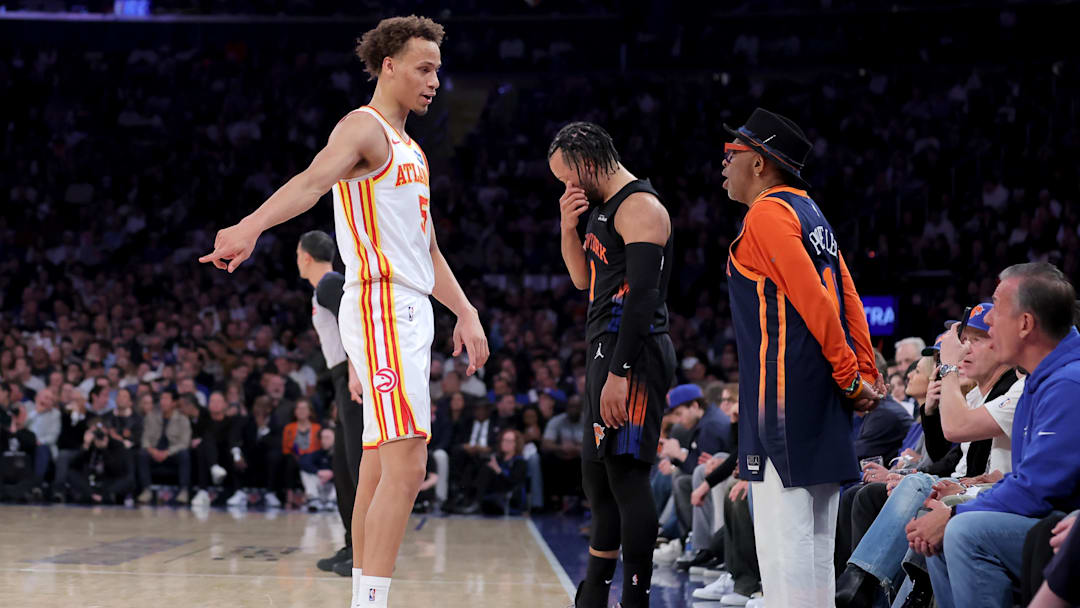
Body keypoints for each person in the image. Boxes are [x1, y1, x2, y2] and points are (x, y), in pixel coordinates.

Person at [198, 15, 488, 608]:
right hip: (383, 304)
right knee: (407, 464)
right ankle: (371, 603)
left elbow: (426, 249)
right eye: (423, 68)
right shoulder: (366, 127)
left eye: (438, 69)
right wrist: (251, 227)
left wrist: (465, 310)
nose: (435, 81)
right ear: (389, 66)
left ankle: (364, 594)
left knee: (382, 466)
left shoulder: (412, 148)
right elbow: (310, 182)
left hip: (406, 305)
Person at [722, 107, 884, 607]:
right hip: (819, 397)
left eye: (732, 153)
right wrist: (862, 371)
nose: (723, 163)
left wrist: (852, 374)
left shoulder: (768, 214)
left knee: (783, 544)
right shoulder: (810, 211)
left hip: (784, 397)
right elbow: (848, 293)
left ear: (760, 163)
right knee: (815, 542)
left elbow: (816, 298)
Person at [549, 121, 676, 608]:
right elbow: (583, 279)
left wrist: (620, 373)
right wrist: (567, 227)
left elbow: (642, 298)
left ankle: (636, 598)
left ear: (586, 161)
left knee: (625, 475)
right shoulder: (601, 209)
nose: (567, 187)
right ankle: (594, 595)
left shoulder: (640, 206)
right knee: (596, 480)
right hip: (604, 345)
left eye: (567, 177)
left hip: (634, 351)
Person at [906, 263, 1080, 608]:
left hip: (1065, 528)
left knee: (963, 532)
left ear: (1025, 324)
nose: (986, 321)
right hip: (1049, 518)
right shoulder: (1040, 378)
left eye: (997, 308)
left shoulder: (1068, 383)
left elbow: (1039, 491)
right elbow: (1026, 479)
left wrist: (956, 514)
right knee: (942, 526)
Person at [297, 229, 366, 576]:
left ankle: (366, 553)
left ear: (305, 256)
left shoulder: (329, 284)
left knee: (356, 467)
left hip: (353, 377)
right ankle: (353, 546)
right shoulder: (325, 285)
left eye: (298, 255)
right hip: (342, 380)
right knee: (342, 467)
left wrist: (355, 371)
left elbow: (355, 323)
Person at [136, 390, 192, 505]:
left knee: (184, 454)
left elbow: (184, 443)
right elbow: (145, 439)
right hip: (154, 453)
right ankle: (146, 490)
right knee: (142, 453)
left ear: (174, 403)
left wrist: (167, 452)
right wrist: (153, 451)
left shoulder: (183, 419)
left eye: (166, 399)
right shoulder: (151, 417)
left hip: (172, 454)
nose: (163, 402)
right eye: (162, 399)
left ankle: (183, 491)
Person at [67, 419, 133, 504]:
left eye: (100, 430)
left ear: (106, 430)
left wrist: (104, 450)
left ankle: (100, 496)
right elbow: (74, 465)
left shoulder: (116, 445)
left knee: (127, 479)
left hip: (109, 482)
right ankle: (93, 495)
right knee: (71, 473)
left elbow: (117, 470)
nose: (98, 434)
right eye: (94, 431)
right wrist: (85, 446)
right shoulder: (89, 444)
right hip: (89, 482)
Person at [299, 427, 338, 512]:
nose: (324, 440)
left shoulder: (341, 454)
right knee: (305, 472)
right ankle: (313, 499)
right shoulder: (319, 453)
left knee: (343, 474)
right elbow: (303, 462)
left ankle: (333, 501)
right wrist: (318, 472)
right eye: (322, 437)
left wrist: (332, 473)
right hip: (320, 486)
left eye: (327, 437)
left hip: (334, 489)